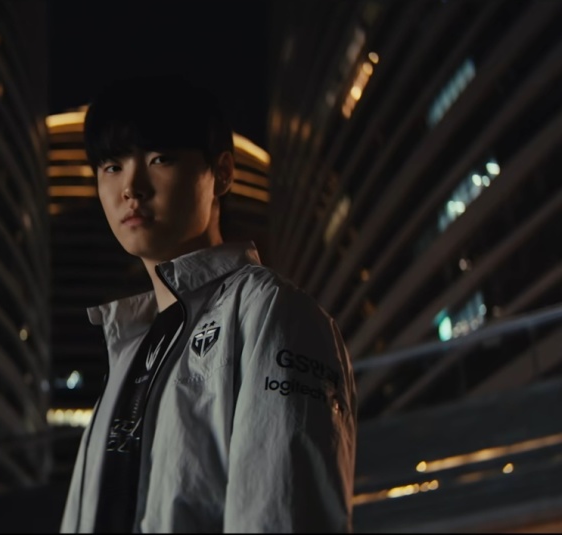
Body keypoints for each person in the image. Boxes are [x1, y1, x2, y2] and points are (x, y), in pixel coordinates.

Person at [59, 75, 357, 533]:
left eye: (160, 158)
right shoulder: (130, 348)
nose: (131, 187)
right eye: (112, 166)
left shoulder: (270, 312)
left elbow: (281, 516)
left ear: (222, 173)